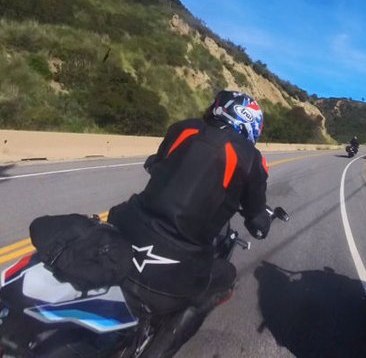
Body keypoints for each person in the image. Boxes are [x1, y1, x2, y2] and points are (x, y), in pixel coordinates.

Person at [108, 90, 270, 357]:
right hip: (176, 257)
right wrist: (261, 222)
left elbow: (156, 164)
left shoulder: (182, 128)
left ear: (219, 109)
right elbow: (257, 221)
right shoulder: (253, 159)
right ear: (251, 125)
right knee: (224, 277)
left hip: (126, 224)